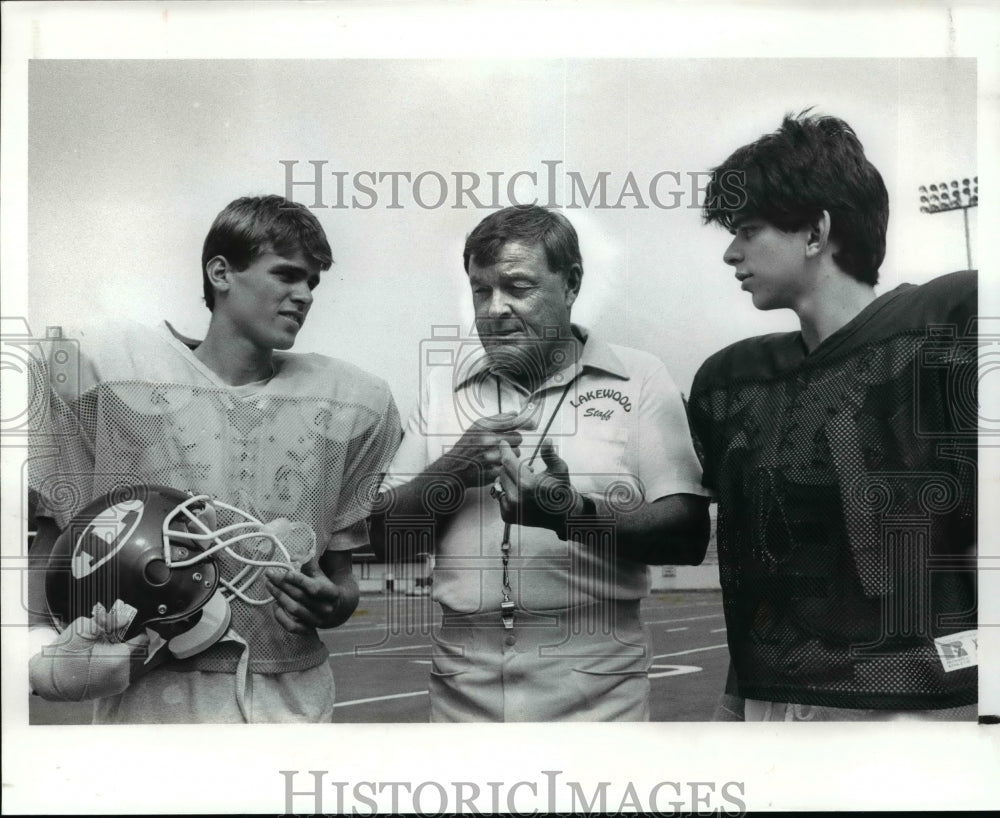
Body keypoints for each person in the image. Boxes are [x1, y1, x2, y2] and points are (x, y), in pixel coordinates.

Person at [27, 194, 401, 723]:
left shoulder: (347, 403)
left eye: (312, 283)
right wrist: (37, 654)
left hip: (288, 701)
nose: (304, 296)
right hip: (151, 704)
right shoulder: (112, 376)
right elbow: (55, 537)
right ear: (221, 272)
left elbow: (340, 578)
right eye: (287, 275)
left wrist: (333, 603)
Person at [690, 112, 978, 721]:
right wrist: (735, 697)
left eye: (749, 229)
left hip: (909, 705)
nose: (729, 252)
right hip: (772, 701)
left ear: (816, 231)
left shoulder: (948, 325)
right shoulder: (732, 382)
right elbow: (758, 573)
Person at [375, 205, 710, 722]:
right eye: (480, 290)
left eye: (518, 287)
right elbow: (383, 536)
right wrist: (452, 471)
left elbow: (687, 536)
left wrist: (566, 513)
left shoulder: (639, 378)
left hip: (596, 687)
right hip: (462, 687)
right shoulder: (443, 389)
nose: (494, 308)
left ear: (571, 282)